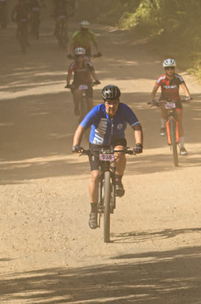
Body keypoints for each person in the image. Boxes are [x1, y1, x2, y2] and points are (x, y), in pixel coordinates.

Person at [72, 85, 144, 230]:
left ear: (119, 102)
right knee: (95, 176)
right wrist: (76, 145)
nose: (112, 106)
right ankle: (93, 211)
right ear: (104, 102)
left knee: (120, 152)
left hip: (116, 141)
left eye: (115, 102)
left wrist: (139, 145)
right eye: (109, 103)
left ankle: (117, 180)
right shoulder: (96, 111)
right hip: (97, 144)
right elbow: (81, 128)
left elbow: (137, 127)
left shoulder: (124, 110)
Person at [150, 59, 192, 153]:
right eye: (167, 68)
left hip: (176, 100)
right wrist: (152, 99)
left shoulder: (178, 78)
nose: (170, 70)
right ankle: (163, 127)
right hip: (164, 99)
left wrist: (187, 96)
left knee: (179, 123)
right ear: (165, 69)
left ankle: (182, 147)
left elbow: (184, 87)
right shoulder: (161, 78)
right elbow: (154, 90)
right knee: (163, 108)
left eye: (172, 68)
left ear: (174, 68)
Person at [65, 47, 98, 116]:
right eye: (78, 56)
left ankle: (91, 117)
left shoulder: (88, 64)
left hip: (87, 83)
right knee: (77, 93)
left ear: (84, 56)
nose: (79, 58)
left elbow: (93, 72)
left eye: (81, 56)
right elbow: (69, 74)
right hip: (77, 83)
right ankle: (76, 107)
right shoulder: (73, 65)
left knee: (90, 102)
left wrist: (96, 80)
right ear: (75, 57)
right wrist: (68, 83)